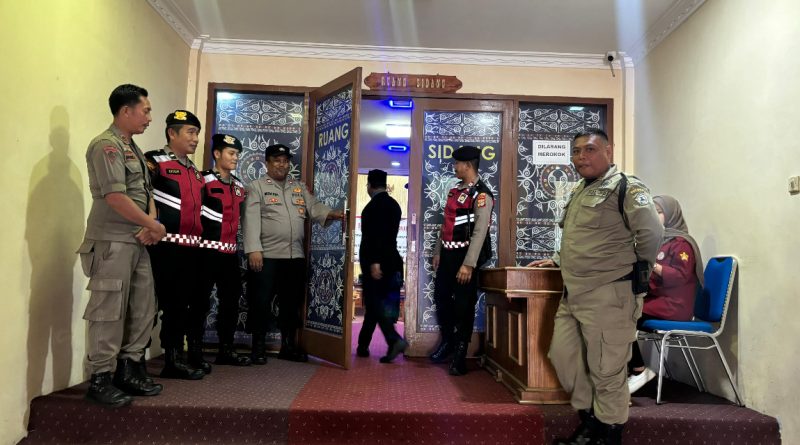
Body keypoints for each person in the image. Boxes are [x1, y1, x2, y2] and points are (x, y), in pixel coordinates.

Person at [529, 129, 663, 444]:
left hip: (609, 294)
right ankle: (590, 423)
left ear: (608, 150)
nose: (581, 157)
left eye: (589, 149)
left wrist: (635, 269)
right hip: (573, 294)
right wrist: (558, 259)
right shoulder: (580, 189)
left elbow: (651, 234)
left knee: (607, 370)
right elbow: (580, 234)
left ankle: (607, 434)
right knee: (564, 358)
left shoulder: (626, 187)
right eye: (576, 151)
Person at [77, 84, 166, 407]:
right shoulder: (107, 145)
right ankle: (100, 378)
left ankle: (128, 369)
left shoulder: (134, 149)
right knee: (108, 311)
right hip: (112, 241)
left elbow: (146, 193)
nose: (150, 118)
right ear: (125, 111)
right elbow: (115, 197)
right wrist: (152, 225)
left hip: (137, 240)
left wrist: (150, 224)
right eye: (146, 110)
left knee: (143, 307)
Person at [243, 143, 344, 364]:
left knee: (290, 303)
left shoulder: (298, 187)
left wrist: (333, 214)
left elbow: (314, 207)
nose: (282, 165)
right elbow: (250, 220)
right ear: (267, 163)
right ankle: (258, 348)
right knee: (260, 302)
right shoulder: (256, 187)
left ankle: (287, 346)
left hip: (294, 257)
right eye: (277, 161)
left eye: (285, 161)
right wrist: (253, 250)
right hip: (266, 256)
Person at [145, 110, 206, 380]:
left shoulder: (195, 171)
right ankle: (134, 362)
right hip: (162, 247)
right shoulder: (154, 161)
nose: (195, 139)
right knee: (150, 305)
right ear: (172, 132)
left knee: (180, 306)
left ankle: (173, 359)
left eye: (197, 133)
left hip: (190, 250)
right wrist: (150, 222)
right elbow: (141, 193)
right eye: (190, 132)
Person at [627, 195, 704, 394]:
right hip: (658, 301)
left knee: (622, 318)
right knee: (617, 313)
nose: (654, 215)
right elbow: (653, 281)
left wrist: (653, 265)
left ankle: (638, 370)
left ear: (671, 214)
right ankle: (630, 371)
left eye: (659, 211)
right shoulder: (660, 241)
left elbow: (679, 277)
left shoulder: (682, 243)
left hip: (674, 306)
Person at [429, 145, 494, 376]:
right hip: (448, 255)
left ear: (467, 165)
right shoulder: (454, 190)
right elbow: (445, 223)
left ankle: (460, 352)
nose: (454, 166)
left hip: (466, 257)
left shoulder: (482, 194)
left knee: (463, 306)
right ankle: (448, 340)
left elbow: (480, 232)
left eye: (457, 163)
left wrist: (468, 264)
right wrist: (438, 251)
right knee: (441, 298)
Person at [197, 134, 252, 367]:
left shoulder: (239, 186)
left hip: (230, 254)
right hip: (205, 252)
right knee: (199, 302)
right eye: (231, 153)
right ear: (217, 153)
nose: (235, 157)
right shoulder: (202, 180)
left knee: (230, 302)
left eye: (237, 154)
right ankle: (194, 352)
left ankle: (226, 350)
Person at [356, 169, 407, 363]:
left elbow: (377, 236)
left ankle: (394, 340)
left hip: (376, 265)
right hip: (393, 262)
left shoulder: (372, 207)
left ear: (369, 186)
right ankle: (362, 345)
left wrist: (375, 262)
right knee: (375, 304)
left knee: (375, 304)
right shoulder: (394, 205)